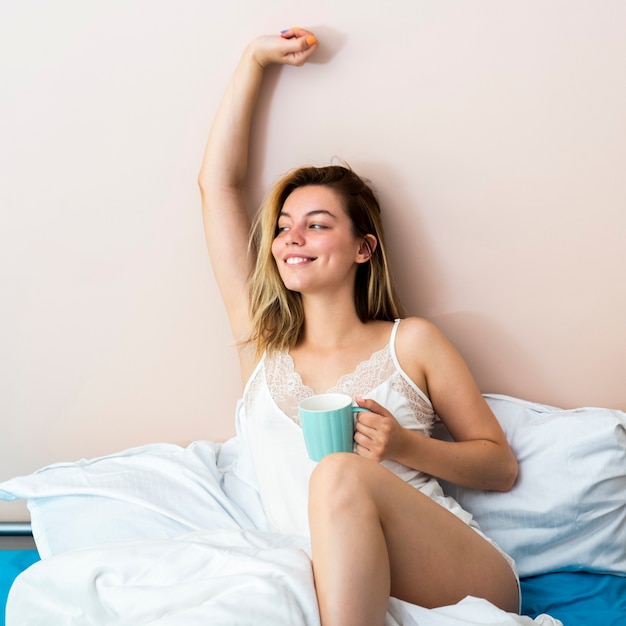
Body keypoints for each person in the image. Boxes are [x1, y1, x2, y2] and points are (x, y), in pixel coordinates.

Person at [198, 27, 520, 626]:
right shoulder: (262, 350)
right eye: (285, 225)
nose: (292, 237)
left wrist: (403, 446)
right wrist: (253, 60)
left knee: (339, 470)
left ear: (363, 248)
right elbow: (217, 187)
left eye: (317, 225)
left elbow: (499, 466)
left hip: (455, 568)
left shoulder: (412, 341)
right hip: (330, 574)